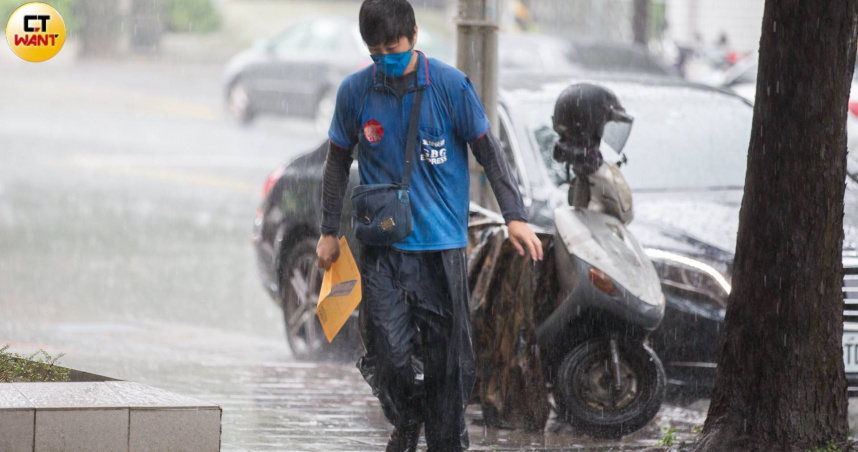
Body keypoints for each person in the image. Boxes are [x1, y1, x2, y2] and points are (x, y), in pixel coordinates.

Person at [315, 1, 543, 450]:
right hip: (383, 253)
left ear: (414, 36)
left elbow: (490, 152)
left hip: (442, 250)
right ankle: (408, 416)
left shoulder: (450, 86)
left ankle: (443, 438)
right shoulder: (355, 91)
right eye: (375, 50)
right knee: (390, 356)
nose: (386, 58)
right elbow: (337, 161)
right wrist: (327, 230)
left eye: (393, 47)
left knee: (449, 367)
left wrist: (515, 216)